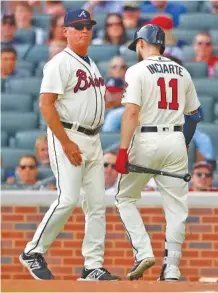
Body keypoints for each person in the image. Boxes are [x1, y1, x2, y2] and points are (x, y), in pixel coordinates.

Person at [19, 9, 120, 282]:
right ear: (65, 31)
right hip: (69, 135)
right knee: (68, 199)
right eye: (77, 26)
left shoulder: (91, 63)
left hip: (93, 139)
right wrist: (65, 143)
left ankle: (92, 266)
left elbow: (88, 101)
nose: (84, 30)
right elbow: (46, 104)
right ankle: (33, 251)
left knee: (97, 204)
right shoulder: (59, 63)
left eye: (87, 25)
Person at [114, 24, 203, 281]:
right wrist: (183, 143)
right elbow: (195, 115)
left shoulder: (137, 70)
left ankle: (143, 251)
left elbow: (131, 112)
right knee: (176, 208)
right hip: (175, 138)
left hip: (146, 138)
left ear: (141, 43)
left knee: (124, 198)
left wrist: (122, 150)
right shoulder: (182, 71)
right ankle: (172, 267)